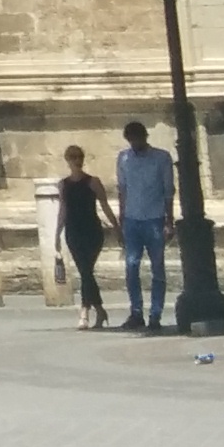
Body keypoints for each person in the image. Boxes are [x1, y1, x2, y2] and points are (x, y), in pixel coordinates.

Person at [113, 119, 175, 333]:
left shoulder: (161, 158)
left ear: (144, 137)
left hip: (155, 218)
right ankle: (136, 312)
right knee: (131, 266)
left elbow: (168, 191)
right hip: (132, 219)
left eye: (136, 139)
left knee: (158, 268)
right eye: (130, 140)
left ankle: (155, 314)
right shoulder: (124, 158)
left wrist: (169, 221)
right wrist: (121, 220)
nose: (134, 144)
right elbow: (122, 189)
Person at [56, 144, 116, 329]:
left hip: (92, 231)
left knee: (86, 271)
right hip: (73, 231)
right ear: (67, 160)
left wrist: (116, 226)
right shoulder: (63, 184)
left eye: (79, 157)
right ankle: (99, 310)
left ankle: (85, 311)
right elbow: (63, 210)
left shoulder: (93, 182)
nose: (77, 160)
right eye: (73, 157)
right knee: (85, 272)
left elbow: (105, 205)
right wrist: (57, 234)